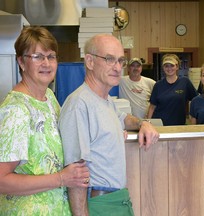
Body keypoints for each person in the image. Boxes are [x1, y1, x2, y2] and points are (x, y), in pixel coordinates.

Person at [58, 34, 159, 216]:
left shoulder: (106, 101)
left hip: (117, 200)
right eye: (109, 59)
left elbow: (124, 118)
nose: (118, 67)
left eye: (121, 61)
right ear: (89, 61)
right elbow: (76, 173)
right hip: (99, 204)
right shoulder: (79, 104)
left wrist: (143, 123)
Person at [0, 26, 89, 215]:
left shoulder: (48, 97)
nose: (46, 63)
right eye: (38, 57)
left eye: (51, 56)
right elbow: (2, 180)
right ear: (22, 62)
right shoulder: (16, 110)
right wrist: (61, 179)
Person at [147, 54, 198, 126]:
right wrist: (148, 123)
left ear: (177, 66)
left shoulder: (185, 82)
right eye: (166, 66)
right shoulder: (158, 85)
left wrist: (193, 117)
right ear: (163, 68)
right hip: (159, 125)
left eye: (172, 65)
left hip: (178, 125)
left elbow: (196, 100)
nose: (169, 68)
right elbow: (152, 107)